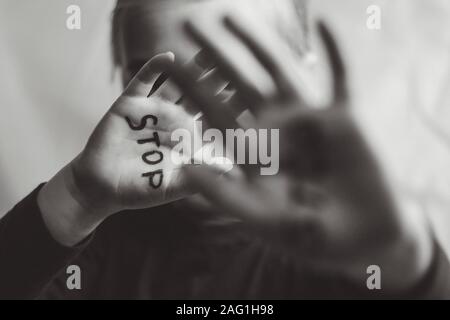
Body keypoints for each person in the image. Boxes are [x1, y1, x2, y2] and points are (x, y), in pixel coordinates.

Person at [0, 0, 449, 299]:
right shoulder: (74, 256)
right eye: (160, 82)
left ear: (303, 65)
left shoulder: (349, 251)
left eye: (233, 75)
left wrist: (402, 258)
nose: (197, 118)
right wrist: (76, 198)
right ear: (123, 79)